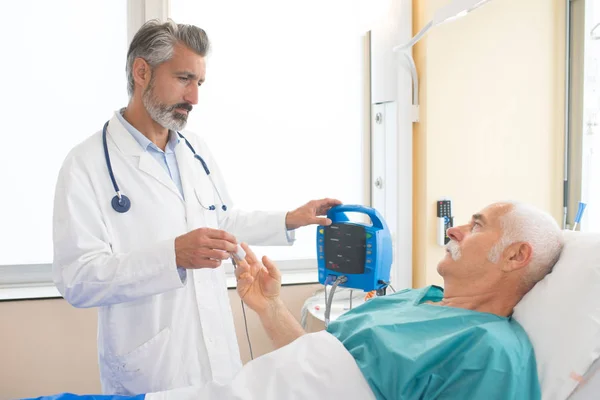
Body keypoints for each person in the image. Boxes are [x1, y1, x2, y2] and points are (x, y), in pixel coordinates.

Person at [52, 19, 340, 395]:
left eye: (199, 83)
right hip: (151, 365)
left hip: (216, 354)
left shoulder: (195, 149)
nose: (194, 98)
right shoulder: (86, 163)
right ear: (142, 72)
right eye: (184, 79)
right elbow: (77, 278)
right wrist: (171, 256)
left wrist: (289, 219)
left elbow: (221, 222)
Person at [227, 201, 564, 399]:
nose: (452, 230)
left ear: (516, 255)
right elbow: (313, 367)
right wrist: (269, 307)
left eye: (476, 226)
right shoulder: (410, 300)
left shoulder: (491, 352)